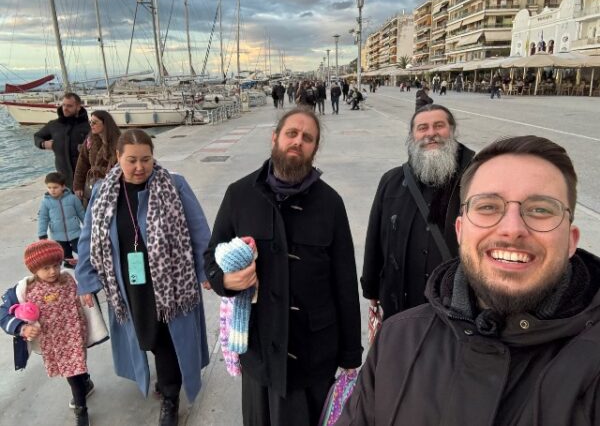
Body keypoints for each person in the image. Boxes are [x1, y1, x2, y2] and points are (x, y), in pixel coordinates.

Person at [339, 135, 600, 425]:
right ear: (460, 231)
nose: (512, 229)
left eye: (540, 209)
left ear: (571, 240)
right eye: (488, 207)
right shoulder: (396, 340)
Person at [204, 107, 362, 426]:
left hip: (314, 354)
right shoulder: (239, 194)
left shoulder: (330, 203)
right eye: (291, 133)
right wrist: (227, 282)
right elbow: (211, 257)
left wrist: (350, 354)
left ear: (314, 148)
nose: (298, 141)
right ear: (274, 138)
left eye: (307, 138)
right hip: (260, 352)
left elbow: (345, 282)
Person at [75, 129, 211, 426]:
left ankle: (171, 397)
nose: (140, 167)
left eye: (146, 159)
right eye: (132, 160)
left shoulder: (174, 185)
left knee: (167, 338)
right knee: (144, 334)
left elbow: (199, 231)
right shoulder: (102, 191)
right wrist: (85, 280)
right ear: (118, 157)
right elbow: (88, 239)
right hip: (126, 282)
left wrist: (206, 271)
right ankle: (165, 378)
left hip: (171, 282)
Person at [361, 105, 475, 320]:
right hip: (402, 303)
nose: (431, 133)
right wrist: (371, 288)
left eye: (439, 126)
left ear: (452, 131)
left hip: (457, 306)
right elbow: (375, 238)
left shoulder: (476, 178)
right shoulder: (392, 181)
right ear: (412, 136)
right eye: (422, 128)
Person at [0, 240, 96, 426]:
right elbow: (3, 312)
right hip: (54, 341)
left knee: (74, 370)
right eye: (46, 268)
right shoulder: (24, 289)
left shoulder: (70, 279)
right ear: (33, 269)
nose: (53, 271)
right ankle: (84, 392)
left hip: (75, 336)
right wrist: (22, 327)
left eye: (56, 265)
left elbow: (89, 281)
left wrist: (88, 289)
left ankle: (82, 403)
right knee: (73, 370)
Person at [34, 93, 90, 189]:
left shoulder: (87, 126)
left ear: (78, 107)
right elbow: (37, 136)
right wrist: (43, 144)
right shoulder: (54, 125)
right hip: (63, 177)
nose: (65, 108)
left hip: (84, 177)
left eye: (69, 106)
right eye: (63, 105)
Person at [73, 110, 121, 209]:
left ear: (105, 123)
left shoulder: (118, 142)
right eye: (90, 122)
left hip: (111, 187)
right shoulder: (90, 141)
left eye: (94, 122)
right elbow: (82, 163)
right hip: (92, 184)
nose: (91, 125)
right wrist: (78, 186)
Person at [38, 172, 86, 268]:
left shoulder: (73, 198)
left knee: (82, 249)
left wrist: (88, 226)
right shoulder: (45, 202)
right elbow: (43, 218)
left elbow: (81, 213)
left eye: (55, 187)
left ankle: (84, 263)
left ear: (63, 186)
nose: (52, 190)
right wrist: (42, 233)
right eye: (49, 187)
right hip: (58, 234)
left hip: (75, 232)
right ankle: (68, 263)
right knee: (64, 252)